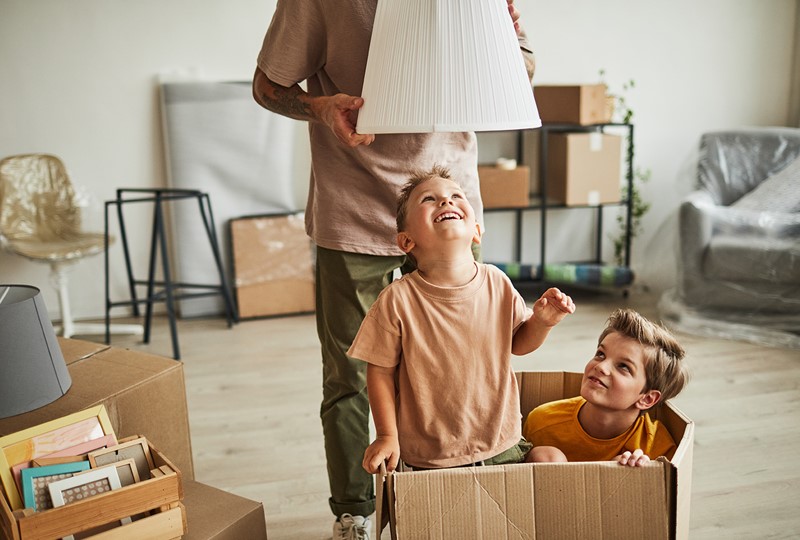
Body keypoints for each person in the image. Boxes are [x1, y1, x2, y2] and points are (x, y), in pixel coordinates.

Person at [253, 1, 536, 537]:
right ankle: (355, 512)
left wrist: (511, 34)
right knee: (351, 375)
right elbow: (267, 86)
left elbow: (521, 70)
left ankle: (458, 486)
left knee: (467, 360)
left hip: (448, 205)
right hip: (352, 206)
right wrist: (319, 108)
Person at [347, 166, 575, 475]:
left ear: (477, 231)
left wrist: (542, 322)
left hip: (501, 445)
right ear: (406, 241)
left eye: (456, 195)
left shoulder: (497, 282)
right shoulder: (397, 300)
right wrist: (388, 436)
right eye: (429, 199)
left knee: (551, 459)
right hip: (430, 458)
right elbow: (380, 373)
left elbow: (518, 344)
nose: (446, 201)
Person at [523, 308, 690, 467]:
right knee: (546, 457)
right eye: (600, 354)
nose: (601, 367)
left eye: (623, 366)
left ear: (646, 398)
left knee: (625, 465)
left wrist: (643, 472)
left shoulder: (657, 447)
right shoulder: (542, 422)